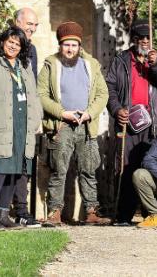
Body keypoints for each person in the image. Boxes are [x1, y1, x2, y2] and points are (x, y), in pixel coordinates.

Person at [37, 21, 110, 225]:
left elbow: (102, 93)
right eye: (66, 44)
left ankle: (91, 212)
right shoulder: (50, 65)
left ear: (79, 46)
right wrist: (62, 113)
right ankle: (55, 213)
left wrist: (89, 114)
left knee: (88, 169)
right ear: (60, 45)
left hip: (86, 125)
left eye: (74, 45)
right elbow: (40, 95)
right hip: (62, 125)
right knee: (59, 170)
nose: (70, 49)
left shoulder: (91, 65)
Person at [0, 27, 42, 229]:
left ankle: (3, 215)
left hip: (21, 126)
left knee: (14, 170)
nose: (13, 46)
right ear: (2, 41)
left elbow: (34, 96)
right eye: (10, 41)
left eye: (18, 44)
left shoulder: (24, 67)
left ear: (22, 48)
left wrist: (36, 118)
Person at [105, 19, 157, 225]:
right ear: (134, 39)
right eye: (141, 37)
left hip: (153, 125)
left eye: (148, 37)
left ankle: (150, 213)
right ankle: (124, 214)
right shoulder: (121, 60)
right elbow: (110, 88)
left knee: (150, 167)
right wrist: (117, 110)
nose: (145, 41)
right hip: (129, 123)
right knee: (126, 168)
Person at [12, 7, 42, 228]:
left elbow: (33, 85)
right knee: (7, 164)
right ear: (16, 22)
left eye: (35, 25)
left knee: (25, 163)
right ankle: (3, 210)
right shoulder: (6, 45)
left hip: (27, 114)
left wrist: (36, 116)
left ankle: (22, 211)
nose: (31, 28)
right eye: (28, 23)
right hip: (9, 114)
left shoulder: (32, 50)